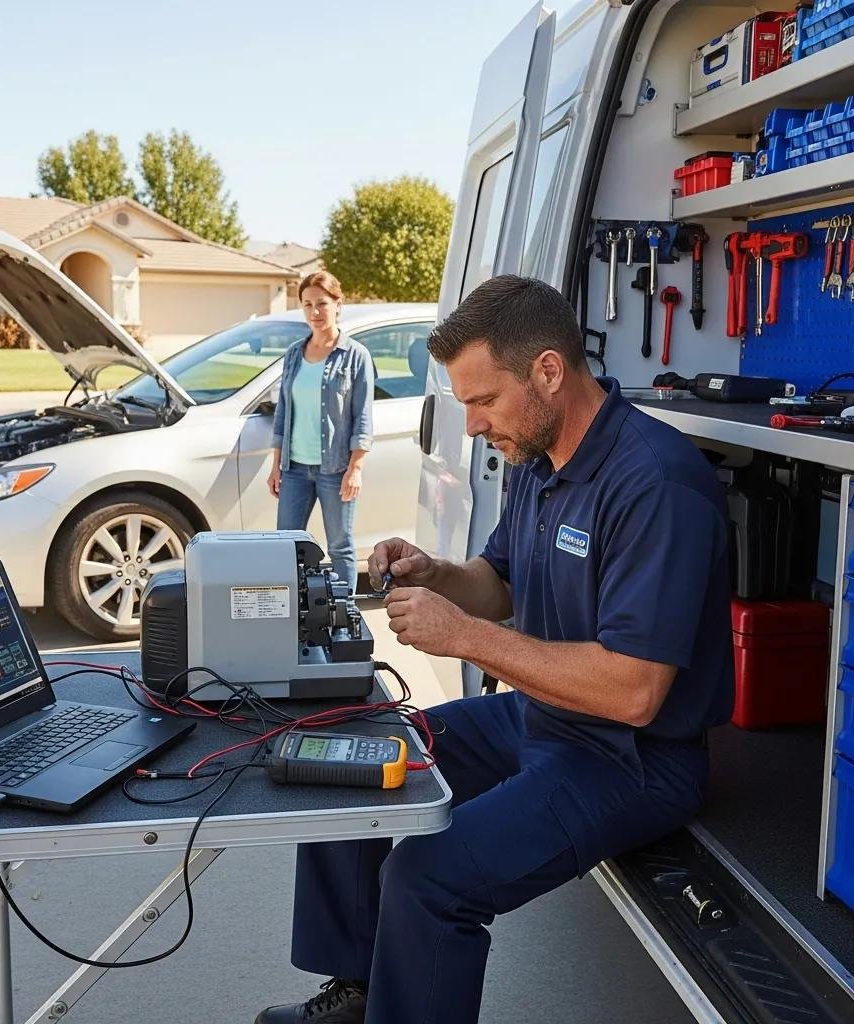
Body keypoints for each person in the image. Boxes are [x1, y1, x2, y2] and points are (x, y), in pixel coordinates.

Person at [255, 275, 734, 1024]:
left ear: (548, 371)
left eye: (482, 401)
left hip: (632, 757)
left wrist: (465, 635)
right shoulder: (538, 461)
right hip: (542, 718)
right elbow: (498, 582)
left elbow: (633, 691)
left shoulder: (656, 484)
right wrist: (435, 575)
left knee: (428, 876)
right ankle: (359, 995)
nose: (473, 426)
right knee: (347, 761)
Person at [268, 271, 374, 590]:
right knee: (286, 547)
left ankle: (345, 621)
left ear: (338, 305)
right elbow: (283, 411)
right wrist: (276, 465)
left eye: (322, 303)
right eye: (308, 304)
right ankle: (292, 616)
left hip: (336, 469)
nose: (315, 312)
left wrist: (355, 468)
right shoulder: (293, 355)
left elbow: (363, 417)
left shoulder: (355, 356)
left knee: (340, 547)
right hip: (295, 469)